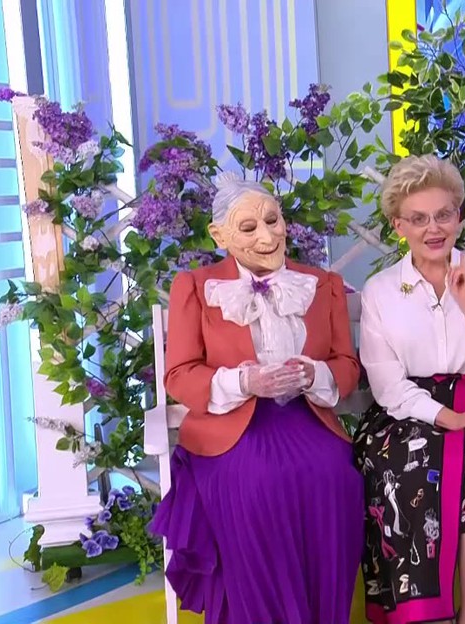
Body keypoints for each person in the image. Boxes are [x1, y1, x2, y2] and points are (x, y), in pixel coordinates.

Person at [149, 172, 363, 624]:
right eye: (248, 228)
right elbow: (179, 375)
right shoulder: (195, 286)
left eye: (273, 220)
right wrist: (244, 382)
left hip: (305, 420)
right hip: (228, 430)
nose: (267, 236)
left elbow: (347, 365)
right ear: (219, 235)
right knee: (258, 485)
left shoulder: (322, 283)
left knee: (335, 479)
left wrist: (314, 373)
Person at [355, 155, 465, 624]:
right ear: (399, 226)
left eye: (444, 215)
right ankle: (420, 614)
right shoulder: (380, 289)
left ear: (458, 215)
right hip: (403, 410)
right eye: (419, 218)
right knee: (405, 468)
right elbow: (386, 382)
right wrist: (445, 416)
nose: (434, 228)